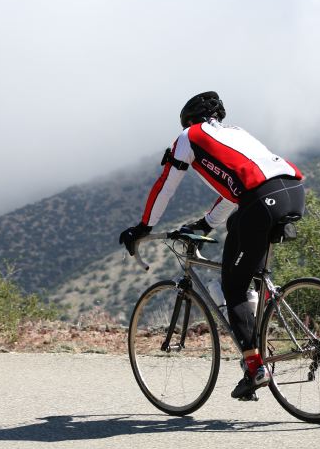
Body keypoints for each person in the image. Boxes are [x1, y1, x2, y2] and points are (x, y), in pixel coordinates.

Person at [119, 91, 305, 399]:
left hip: (260, 200)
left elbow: (166, 185)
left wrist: (143, 227)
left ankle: (256, 366)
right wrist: (206, 223)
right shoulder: (236, 133)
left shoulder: (188, 136)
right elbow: (237, 190)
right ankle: (259, 345)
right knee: (244, 253)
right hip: (292, 189)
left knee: (233, 288)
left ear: (189, 120)